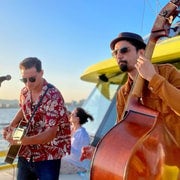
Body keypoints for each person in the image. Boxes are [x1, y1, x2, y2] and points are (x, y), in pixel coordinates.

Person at [80, 32, 180, 178]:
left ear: (141, 53)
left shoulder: (167, 72)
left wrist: (153, 78)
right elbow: (123, 135)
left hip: (174, 161)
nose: (118, 55)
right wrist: (99, 152)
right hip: (147, 168)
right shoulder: (123, 93)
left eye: (124, 50)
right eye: (115, 53)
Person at [2, 57, 71, 180]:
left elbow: (50, 134)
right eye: (24, 79)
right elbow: (24, 109)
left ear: (41, 73)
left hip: (48, 156)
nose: (28, 83)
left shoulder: (54, 96)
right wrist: (11, 126)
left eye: (32, 79)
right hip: (26, 153)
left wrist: (22, 141)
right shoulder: (24, 92)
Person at [60, 107, 94, 174]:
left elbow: (80, 154)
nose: (70, 115)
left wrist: (66, 144)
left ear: (77, 119)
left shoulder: (82, 134)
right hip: (68, 160)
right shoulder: (70, 128)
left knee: (50, 164)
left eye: (72, 114)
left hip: (77, 166)